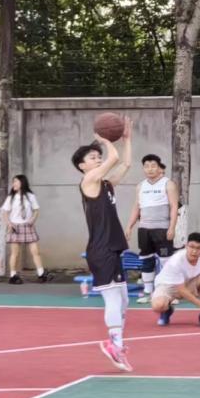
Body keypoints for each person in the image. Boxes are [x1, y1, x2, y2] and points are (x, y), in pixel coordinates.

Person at [73, 118, 134, 372]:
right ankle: (114, 345)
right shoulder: (88, 181)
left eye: (99, 156)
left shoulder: (106, 184)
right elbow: (114, 158)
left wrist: (127, 139)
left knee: (124, 300)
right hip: (101, 249)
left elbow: (125, 164)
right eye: (92, 157)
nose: (98, 159)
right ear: (82, 166)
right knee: (112, 298)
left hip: (112, 247)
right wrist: (108, 141)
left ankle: (115, 342)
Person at [127, 154, 179, 303]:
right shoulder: (140, 186)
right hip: (144, 230)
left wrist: (172, 227)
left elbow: (174, 207)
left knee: (166, 262)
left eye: (153, 166)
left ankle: (170, 293)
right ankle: (148, 292)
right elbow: (136, 207)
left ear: (159, 167)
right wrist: (129, 226)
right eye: (146, 166)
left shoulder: (168, 184)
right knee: (146, 260)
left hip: (162, 229)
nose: (150, 169)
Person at [152, 232, 200, 326]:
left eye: (198, 248)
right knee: (158, 305)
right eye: (191, 247)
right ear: (186, 246)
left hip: (189, 283)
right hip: (168, 286)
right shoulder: (176, 261)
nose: (194, 251)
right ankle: (167, 310)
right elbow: (181, 290)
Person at [1, 174, 52, 284]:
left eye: (16, 181)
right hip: (15, 226)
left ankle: (41, 274)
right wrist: (9, 224)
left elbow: (36, 210)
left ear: (22, 183)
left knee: (35, 252)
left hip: (28, 226)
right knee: (15, 253)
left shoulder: (30, 196)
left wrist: (32, 220)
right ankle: (13, 276)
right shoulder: (11, 198)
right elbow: (4, 212)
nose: (13, 184)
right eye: (13, 182)